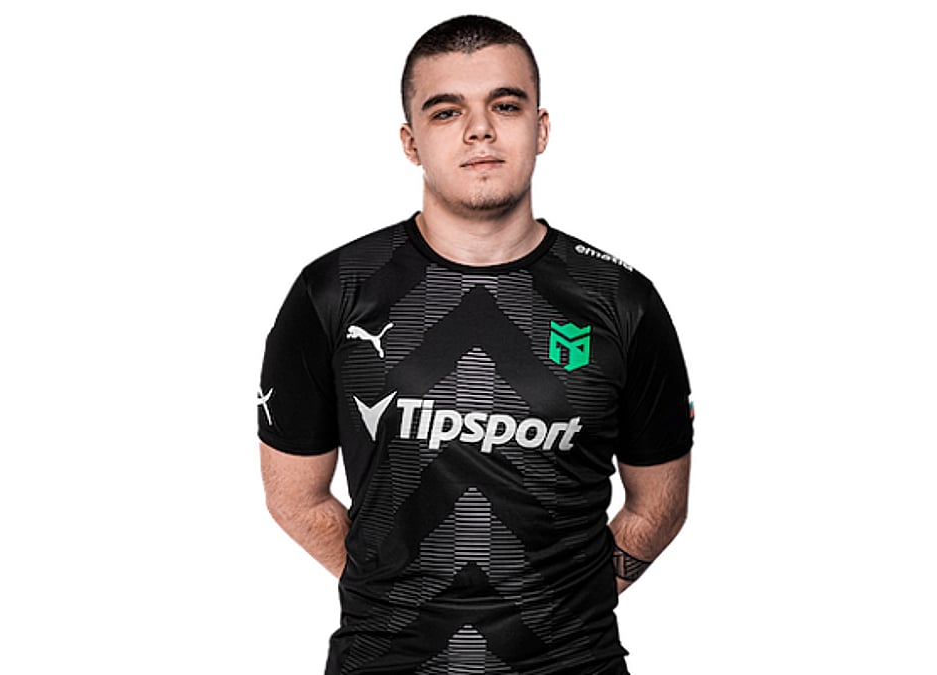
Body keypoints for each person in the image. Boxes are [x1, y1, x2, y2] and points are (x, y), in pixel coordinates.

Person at [257, 14, 693, 675]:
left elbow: (659, 503)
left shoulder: (621, 300)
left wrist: (563, 607)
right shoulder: (334, 290)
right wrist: (394, 592)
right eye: (446, 111)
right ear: (411, 142)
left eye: (506, 105)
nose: (479, 129)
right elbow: (295, 495)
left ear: (540, 129)